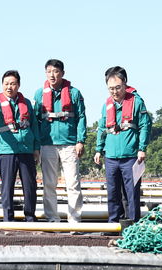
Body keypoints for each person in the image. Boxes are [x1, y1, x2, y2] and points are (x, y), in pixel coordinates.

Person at [0, 70, 40, 222]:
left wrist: (36, 148)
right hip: (6, 151)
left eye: (13, 84)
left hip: (26, 150)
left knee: (30, 185)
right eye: (6, 84)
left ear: (18, 85)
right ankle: (8, 219)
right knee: (7, 187)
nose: (9, 87)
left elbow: (34, 126)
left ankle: (30, 217)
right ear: (2, 85)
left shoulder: (26, 103)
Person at [94, 68, 151, 222]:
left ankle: (132, 225)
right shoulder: (106, 105)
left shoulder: (137, 102)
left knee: (131, 193)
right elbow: (102, 128)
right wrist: (98, 149)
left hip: (130, 157)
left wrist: (142, 148)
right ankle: (113, 224)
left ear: (125, 84)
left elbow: (145, 125)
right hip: (111, 157)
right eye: (111, 88)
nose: (115, 91)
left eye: (118, 87)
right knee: (112, 193)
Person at [33, 59, 86, 223]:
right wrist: (36, 146)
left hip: (69, 144)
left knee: (73, 183)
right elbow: (35, 121)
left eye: (55, 71)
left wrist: (80, 140)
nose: (52, 75)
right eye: (49, 71)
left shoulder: (74, 93)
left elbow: (81, 117)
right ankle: (52, 219)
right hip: (47, 144)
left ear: (62, 73)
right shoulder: (39, 94)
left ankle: (75, 220)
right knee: (49, 184)